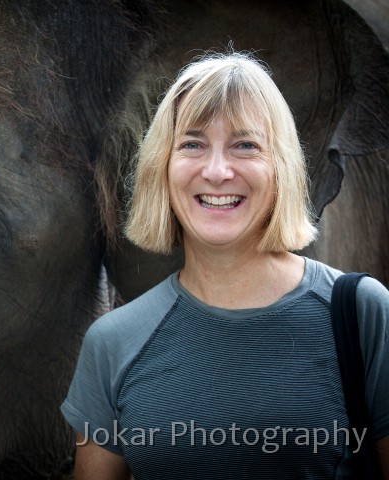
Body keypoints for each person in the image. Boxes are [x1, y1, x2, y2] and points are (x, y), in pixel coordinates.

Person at [60, 52, 389, 479]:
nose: (217, 171)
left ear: (281, 170)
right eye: (192, 144)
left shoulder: (363, 314)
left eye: (246, 145)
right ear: (162, 168)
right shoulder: (111, 343)